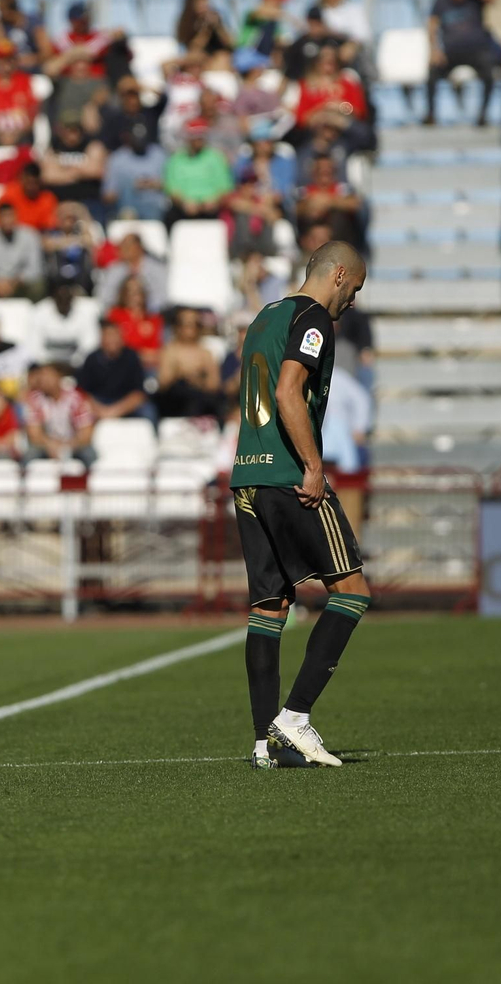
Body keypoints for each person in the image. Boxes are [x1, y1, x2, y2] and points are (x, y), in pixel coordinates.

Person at [229, 240, 370, 770]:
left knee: (268, 607)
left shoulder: (266, 315)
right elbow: (289, 391)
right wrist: (313, 464)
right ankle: (295, 717)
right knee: (352, 591)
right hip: (289, 476)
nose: (353, 300)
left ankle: (265, 745)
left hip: (247, 476)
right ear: (338, 275)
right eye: (354, 288)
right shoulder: (315, 319)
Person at [425, 0, 501, 127]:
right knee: (432, 72)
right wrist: (434, 50)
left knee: (489, 72)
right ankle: (430, 114)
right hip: (451, 54)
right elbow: (432, 26)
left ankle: (483, 114)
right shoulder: (441, 2)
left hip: (477, 52)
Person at [77, 320, 152, 422]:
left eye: (115, 335)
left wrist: (113, 412)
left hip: (125, 403)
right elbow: (83, 393)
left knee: (148, 411)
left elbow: (138, 394)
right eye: (108, 335)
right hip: (98, 403)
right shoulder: (92, 359)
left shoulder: (132, 357)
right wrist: (100, 411)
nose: (112, 339)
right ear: (101, 338)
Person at [23, 360, 96, 464]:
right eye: (42, 377)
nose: (44, 380)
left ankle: (93, 480)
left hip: (74, 443)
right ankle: (23, 480)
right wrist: (51, 444)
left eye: (48, 376)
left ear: (58, 377)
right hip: (46, 445)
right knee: (30, 455)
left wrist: (68, 446)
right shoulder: (35, 400)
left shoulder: (76, 398)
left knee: (89, 454)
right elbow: (34, 434)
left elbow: (86, 433)